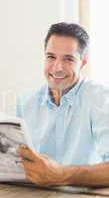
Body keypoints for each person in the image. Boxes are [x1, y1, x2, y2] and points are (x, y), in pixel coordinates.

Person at [16, 22, 109, 187]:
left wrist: (63, 175)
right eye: (51, 57)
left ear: (83, 62)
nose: (57, 68)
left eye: (69, 59)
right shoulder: (25, 101)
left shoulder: (101, 99)